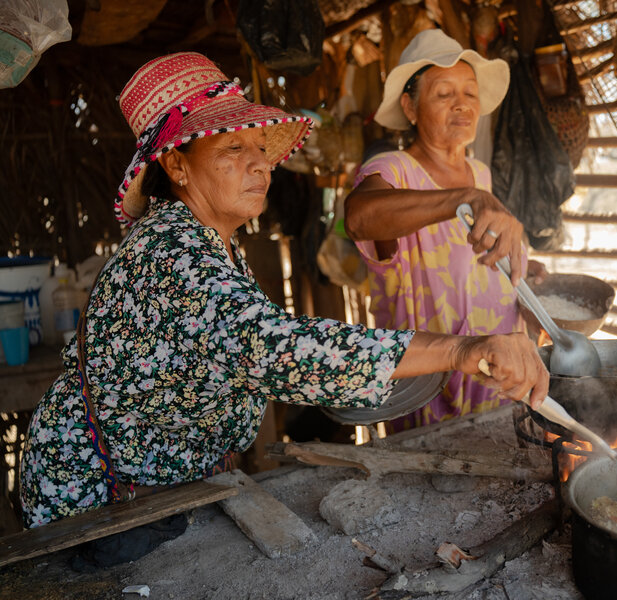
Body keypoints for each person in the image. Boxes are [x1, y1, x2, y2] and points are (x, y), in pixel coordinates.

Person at [19, 52, 548, 530]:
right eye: (233, 147)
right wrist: (460, 349)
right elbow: (276, 348)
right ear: (176, 165)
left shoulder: (206, 239)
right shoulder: (170, 252)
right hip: (95, 494)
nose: (260, 163)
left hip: (151, 484)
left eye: (259, 147)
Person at [344, 29, 546, 431]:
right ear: (410, 106)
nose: (462, 105)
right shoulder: (392, 170)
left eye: (470, 93)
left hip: (498, 382)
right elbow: (359, 218)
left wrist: (522, 282)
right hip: (431, 393)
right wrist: (460, 199)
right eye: (444, 94)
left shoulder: (481, 175)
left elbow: (472, 267)